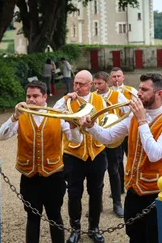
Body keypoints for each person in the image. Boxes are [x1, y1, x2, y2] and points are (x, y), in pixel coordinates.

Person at [81, 73, 162, 243]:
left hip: (154, 194)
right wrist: (92, 127)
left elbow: (155, 154)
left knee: (154, 238)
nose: (138, 93)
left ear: (159, 94)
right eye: (139, 88)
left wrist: (142, 121)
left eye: (144, 89)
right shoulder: (132, 117)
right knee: (134, 237)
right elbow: (109, 137)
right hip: (133, 191)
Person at [0, 81, 82, 243]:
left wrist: (73, 126)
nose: (31, 100)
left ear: (45, 97)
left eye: (35, 96)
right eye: (28, 96)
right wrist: (14, 116)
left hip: (53, 175)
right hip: (29, 176)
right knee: (32, 217)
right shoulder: (21, 117)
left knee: (55, 216)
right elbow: (1, 136)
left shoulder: (57, 116)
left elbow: (76, 140)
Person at [53, 70, 107, 243]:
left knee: (96, 191)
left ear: (90, 85)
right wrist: (64, 99)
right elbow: (54, 113)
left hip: (97, 152)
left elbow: (107, 123)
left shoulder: (99, 100)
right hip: (73, 154)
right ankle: (75, 228)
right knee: (74, 192)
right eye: (75, 83)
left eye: (81, 84)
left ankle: (94, 227)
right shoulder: (67, 101)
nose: (77, 87)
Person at [93, 71, 130, 218]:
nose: (97, 86)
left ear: (106, 82)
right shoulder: (92, 97)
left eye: (99, 83)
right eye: (95, 83)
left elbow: (127, 112)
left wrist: (119, 125)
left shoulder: (116, 95)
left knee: (114, 171)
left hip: (114, 139)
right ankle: (97, 204)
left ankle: (117, 203)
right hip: (98, 139)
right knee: (97, 173)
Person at [109, 67, 138, 193]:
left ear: (123, 77)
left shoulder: (131, 91)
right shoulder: (108, 92)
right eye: (114, 76)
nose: (116, 79)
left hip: (130, 129)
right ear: (110, 79)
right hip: (115, 130)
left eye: (118, 76)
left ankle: (133, 183)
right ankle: (119, 187)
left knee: (132, 156)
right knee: (117, 160)